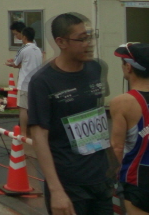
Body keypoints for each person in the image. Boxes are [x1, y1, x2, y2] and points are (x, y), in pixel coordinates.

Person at [29, 13, 111, 215]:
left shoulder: (96, 68)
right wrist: (56, 190)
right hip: (69, 182)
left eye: (90, 37)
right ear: (61, 42)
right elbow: (39, 137)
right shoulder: (43, 81)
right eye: (81, 39)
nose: (88, 44)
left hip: (101, 179)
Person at [111, 43, 149, 215]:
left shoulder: (123, 102)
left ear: (128, 67)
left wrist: (111, 180)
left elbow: (117, 147)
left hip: (137, 178)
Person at [6, 27, 42, 139]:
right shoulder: (38, 50)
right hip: (36, 83)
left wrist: (9, 63)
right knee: (33, 109)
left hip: (25, 83)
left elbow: (15, 63)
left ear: (24, 37)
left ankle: (23, 133)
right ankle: (33, 133)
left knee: (23, 109)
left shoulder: (24, 49)